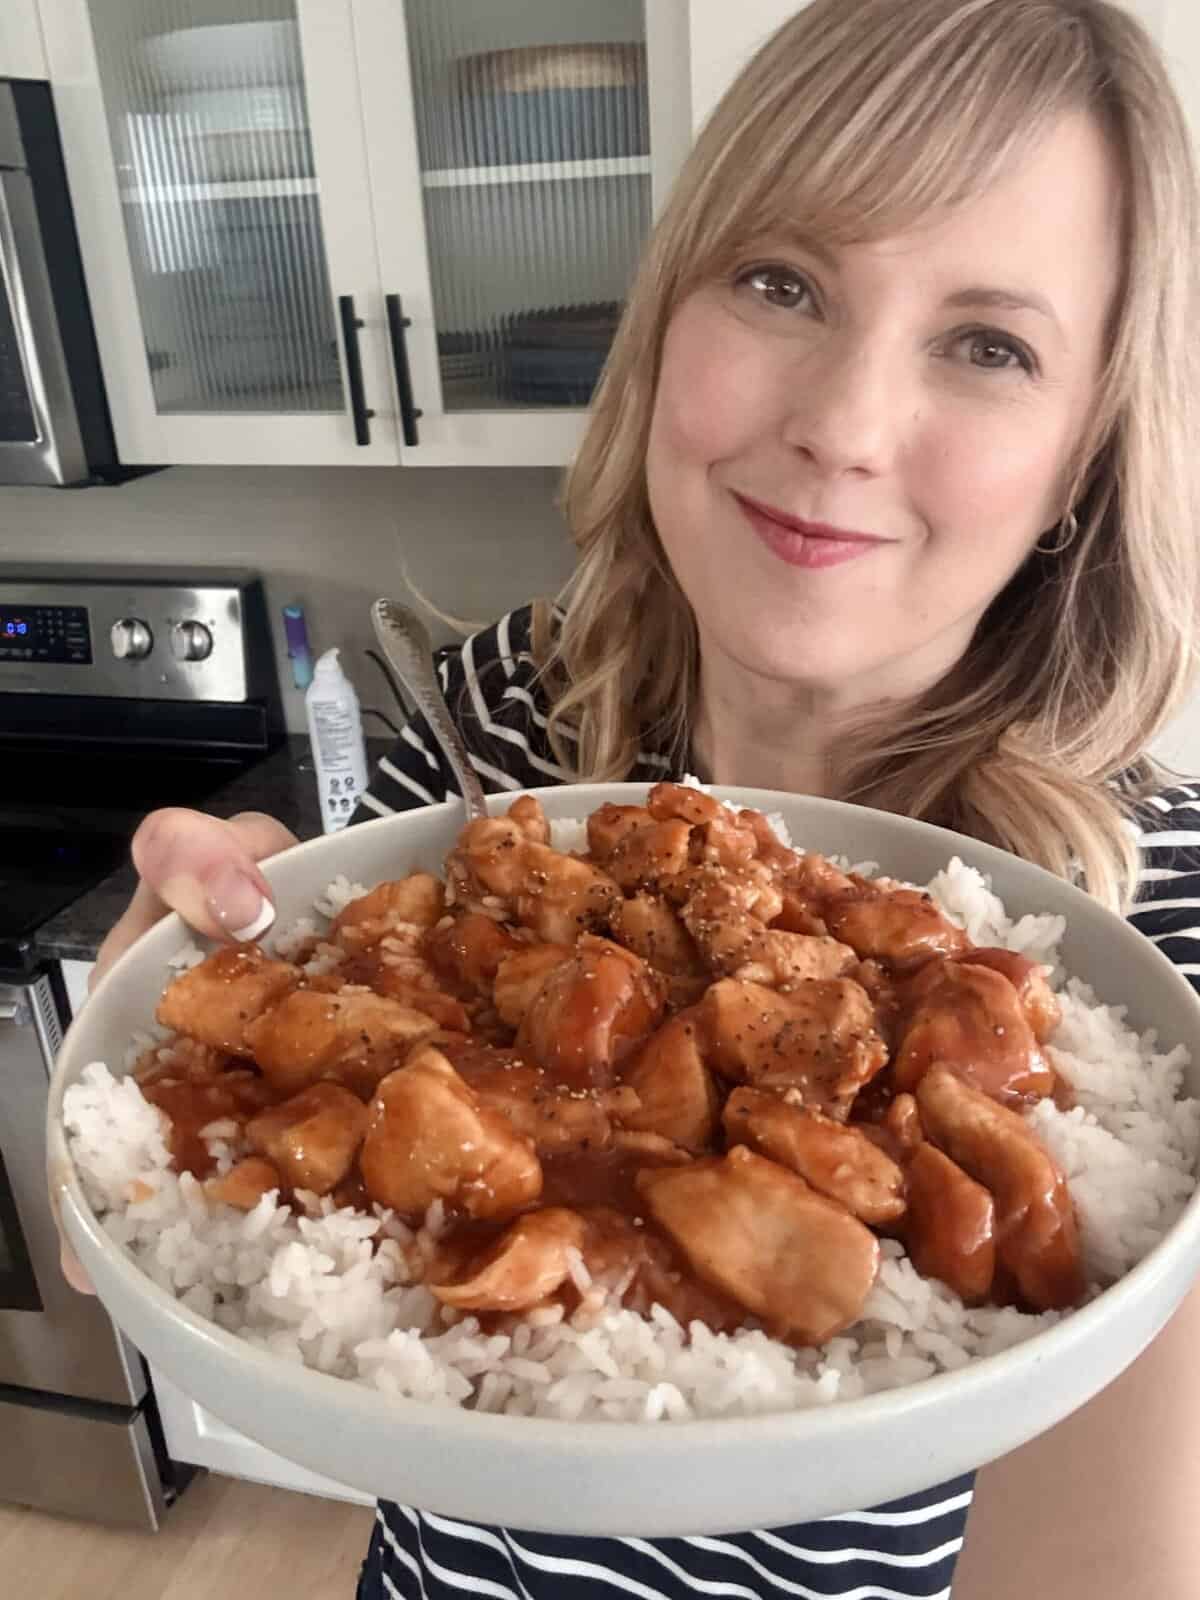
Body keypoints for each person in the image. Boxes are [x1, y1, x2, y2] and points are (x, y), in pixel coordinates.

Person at [68, 0, 1200, 1595]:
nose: (843, 428)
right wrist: (165, 1075)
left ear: (1086, 454)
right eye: (782, 282)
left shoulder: (1163, 939)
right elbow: (214, 1278)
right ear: (666, 317)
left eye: (989, 344)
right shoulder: (488, 716)